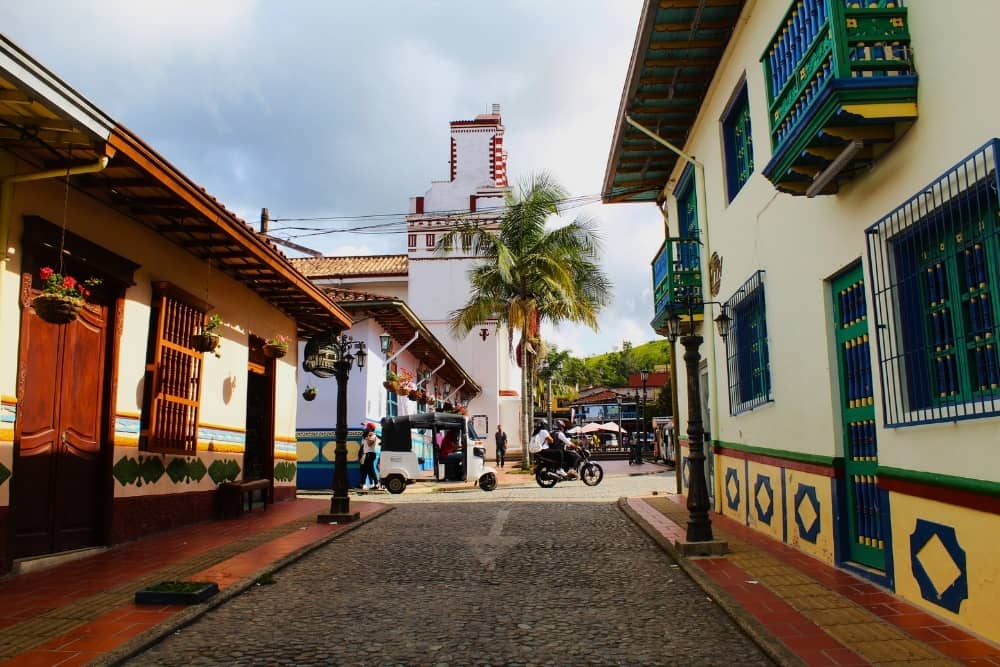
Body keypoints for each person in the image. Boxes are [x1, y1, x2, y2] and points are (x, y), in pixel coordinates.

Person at [360, 422, 380, 490]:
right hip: (366, 454)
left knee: (370, 470)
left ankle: (377, 483)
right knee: (364, 469)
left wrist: (368, 436)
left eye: (367, 428)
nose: (366, 429)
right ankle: (362, 483)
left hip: (370, 454)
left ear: (370, 429)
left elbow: (369, 444)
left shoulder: (373, 435)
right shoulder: (368, 435)